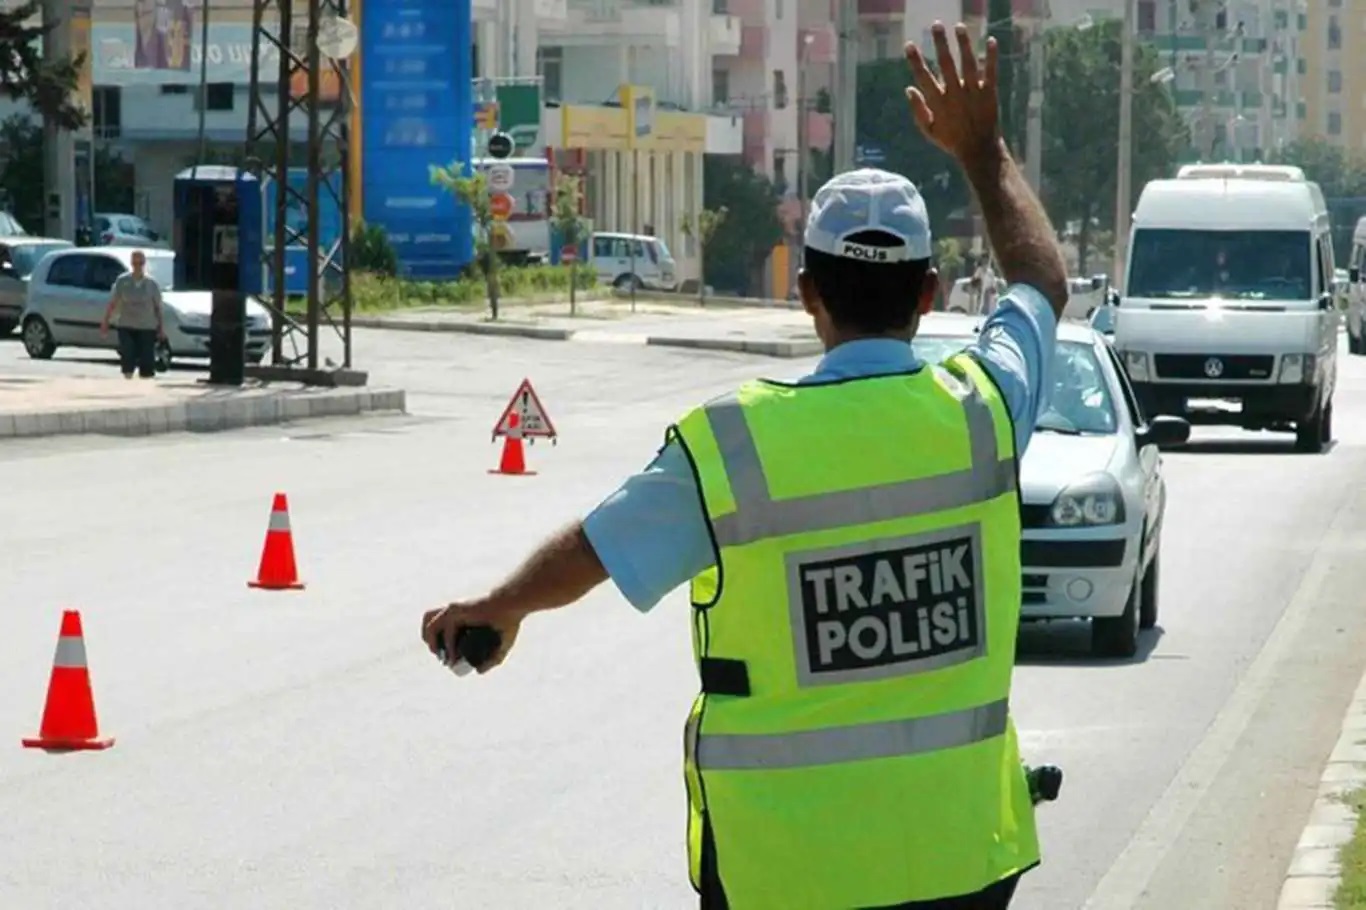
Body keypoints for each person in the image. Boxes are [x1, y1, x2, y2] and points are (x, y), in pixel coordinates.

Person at [422, 21, 1070, 910]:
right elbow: (1041, 283)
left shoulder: (732, 448)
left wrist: (500, 608)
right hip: (960, 863)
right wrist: (985, 151)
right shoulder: (985, 409)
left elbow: (599, 549)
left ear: (807, 291)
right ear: (931, 294)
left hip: (782, 872)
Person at [100, 250, 166, 380]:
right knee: (128, 356)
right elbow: (113, 303)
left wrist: (161, 328)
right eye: (135, 263)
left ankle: (145, 387)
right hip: (126, 325)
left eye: (140, 263)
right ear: (131, 263)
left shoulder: (151, 284)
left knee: (147, 362)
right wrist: (105, 322)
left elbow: (158, 308)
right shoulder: (122, 281)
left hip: (147, 326)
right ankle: (128, 382)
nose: (137, 266)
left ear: (144, 264)